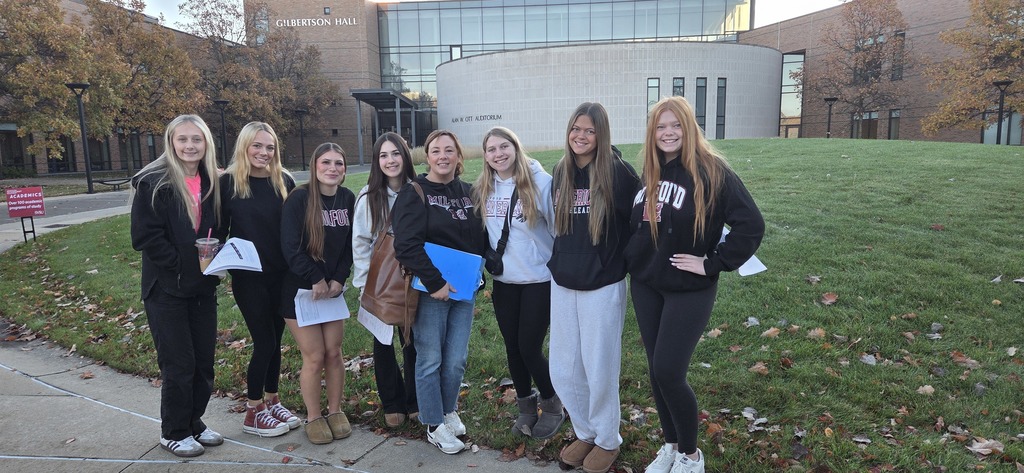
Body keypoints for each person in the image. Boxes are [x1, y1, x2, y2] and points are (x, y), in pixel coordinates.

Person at [625, 96, 764, 473]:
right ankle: (670, 446)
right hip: (647, 284)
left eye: (676, 126)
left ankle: (690, 455)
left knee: (670, 370)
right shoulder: (650, 172)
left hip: (689, 287)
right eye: (660, 127)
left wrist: (713, 264)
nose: (668, 133)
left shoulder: (712, 170)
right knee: (656, 370)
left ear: (689, 129)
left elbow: (751, 224)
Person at [547, 102, 640, 473]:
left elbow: (638, 227)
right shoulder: (561, 172)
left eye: (589, 131)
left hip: (603, 283)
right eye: (575, 129)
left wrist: (618, 261)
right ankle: (583, 430)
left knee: (599, 365)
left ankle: (607, 438)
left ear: (601, 134)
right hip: (564, 282)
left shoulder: (618, 174)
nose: (580, 137)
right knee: (564, 368)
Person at [130, 114, 225, 458]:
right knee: (179, 363)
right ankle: (173, 430)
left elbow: (219, 229)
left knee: (203, 362)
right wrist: (180, 266)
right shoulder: (153, 182)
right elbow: (145, 237)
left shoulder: (212, 181)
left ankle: (193, 422)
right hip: (166, 288)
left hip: (202, 287)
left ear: (206, 144)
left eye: (196, 140)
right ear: (171, 142)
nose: (190, 146)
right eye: (183, 139)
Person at [392, 129, 486, 455]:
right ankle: (433, 424)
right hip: (432, 290)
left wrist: (479, 275)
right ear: (427, 156)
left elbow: (478, 240)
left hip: (464, 290)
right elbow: (405, 245)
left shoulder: (468, 192)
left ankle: (448, 411)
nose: (443, 156)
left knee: (456, 359)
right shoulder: (414, 192)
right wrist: (435, 283)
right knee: (430, 358)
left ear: (458, 156)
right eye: (436, 150)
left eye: (449, 150)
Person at [471, 126, 564, 439]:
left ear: (515, 146)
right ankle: (526, 406)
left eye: (504, 146)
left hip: (538, 278)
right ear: (485, 155)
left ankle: (552, 405)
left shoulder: (540, 183)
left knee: (529, 346)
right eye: (491, 149)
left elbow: (559, 230)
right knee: (513, 347)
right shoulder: (484, 187)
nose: (498, 154)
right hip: (504, 281)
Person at [220, 122, 298, 438]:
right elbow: (215, 230)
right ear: (244, 147)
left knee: (276, 342)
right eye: (257, 146)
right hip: (248, 277)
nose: (264, 152)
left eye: (269, 147)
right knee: (263, 340)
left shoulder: (286, 182)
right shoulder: (228, 184)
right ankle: (253, 411)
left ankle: (272, 399)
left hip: (282, 276)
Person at [279, 142, 355, 445]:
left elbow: (349, 245)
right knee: (314, 356)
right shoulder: (298, 199)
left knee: (334, 353)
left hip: (332, 291)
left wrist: (338, 278)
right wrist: (316, 278)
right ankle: (313, 416)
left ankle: (335, 411)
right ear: (315, 166)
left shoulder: (347, 198)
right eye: (326, 162)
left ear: (345, 169)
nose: (332, 168)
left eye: (338, 163)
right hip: (300, 291)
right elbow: (290, 247)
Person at [352, 132, 419, 428]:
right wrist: (365, 285)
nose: (390, 160)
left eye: (396, 154)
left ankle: (415, 399)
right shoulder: (368, 197)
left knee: (414, 342)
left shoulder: (418, 191)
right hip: (379, 280)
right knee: (383, 342)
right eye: (383, 155)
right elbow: (360, 243)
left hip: (412, 279)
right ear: (377, 161)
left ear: (405, 157)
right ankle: (391, 402)